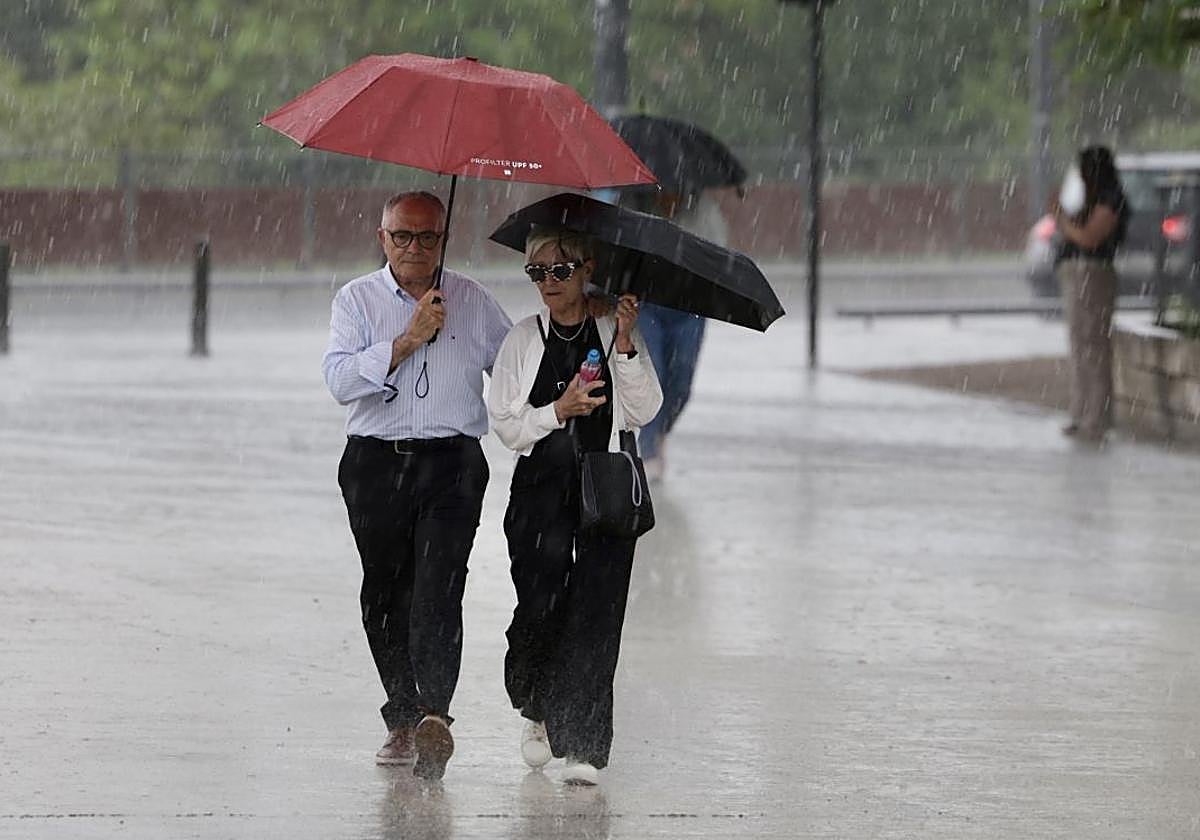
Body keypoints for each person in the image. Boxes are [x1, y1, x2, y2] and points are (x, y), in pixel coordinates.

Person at [322, 190, 512, 779]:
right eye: (402, 236)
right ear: (382, 238)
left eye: (427, 237)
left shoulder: (473, 301)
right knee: (385, 591)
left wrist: (585, 321)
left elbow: (515, 368)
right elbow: (339, 380)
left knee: (439, 586)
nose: (414, 248)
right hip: (375, 463)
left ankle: (435, 715)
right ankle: (401, 715)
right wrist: (407, 339)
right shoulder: (355, 300)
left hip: (452, 464)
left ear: (444, 240)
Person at [486, 226, 662, 786]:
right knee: (542, 606)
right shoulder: (523, 339)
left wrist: (628, 344)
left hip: (604, 489)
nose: (547, 284)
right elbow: (507, 428)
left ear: (587, 269)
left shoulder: (613, 329)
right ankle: (536, 702)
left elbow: (644, 410)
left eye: (559, 271)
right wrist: (556, 410)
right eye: (537, 273)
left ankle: (584, 744)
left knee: (597, 613)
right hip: (540, 493)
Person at [620, 189, 729, 480]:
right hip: (647, 304)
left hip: (691, 306)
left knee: (681, 380)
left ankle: (658, 432)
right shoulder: (632, 203)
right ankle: (649, 448)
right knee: (653, 372)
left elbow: (721, 256)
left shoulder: (703, 210)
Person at [1050, 145, 1130, 442]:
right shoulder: (1092, 199)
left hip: (1092, 273)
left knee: (1093, 345)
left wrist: (1062, 220)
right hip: (1078, 271)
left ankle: (1096, 416)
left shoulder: (1111, 199)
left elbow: (1089, 237)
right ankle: (1081, 411)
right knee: (1080, 345)